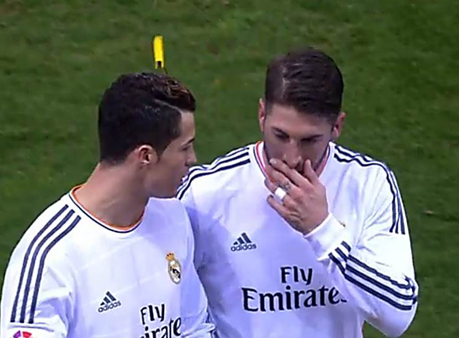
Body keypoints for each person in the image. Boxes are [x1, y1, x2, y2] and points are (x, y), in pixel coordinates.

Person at [177, 47, 418, 338]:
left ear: (337, 126)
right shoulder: (205, 193)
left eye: (309, 140)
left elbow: (398, 315)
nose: (291, 157)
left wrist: (322, 230)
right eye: (281, 136)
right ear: (262, 114)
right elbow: (173, 311)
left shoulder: (368, 182)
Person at [0, 72, 214, 338]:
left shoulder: (173, 216)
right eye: (185, 148)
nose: (192, 159)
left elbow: (194, 328)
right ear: (146, 156)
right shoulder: (50, 258)